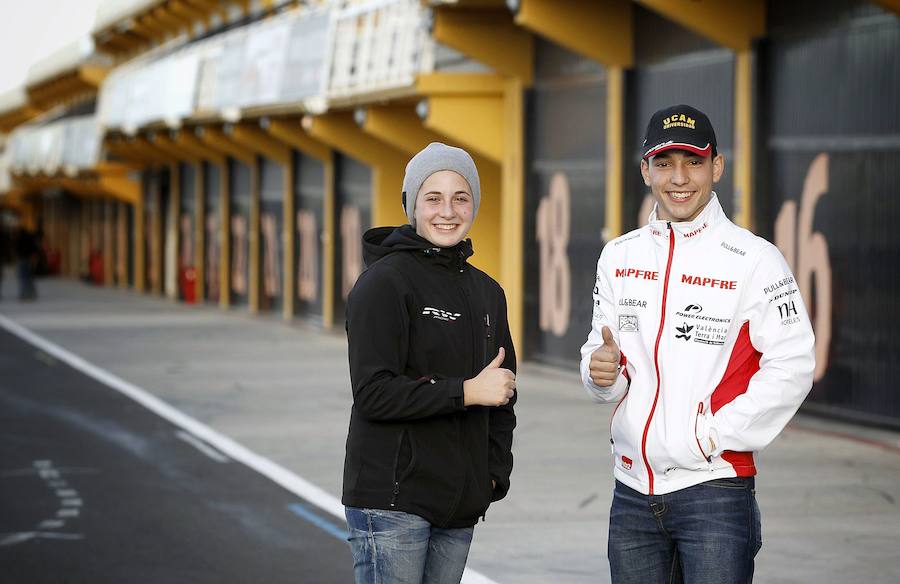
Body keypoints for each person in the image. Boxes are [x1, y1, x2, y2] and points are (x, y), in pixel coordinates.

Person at [580, 104, 815, 583]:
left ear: (717, 166)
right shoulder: (618, 256)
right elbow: (606, 358)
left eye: (693, 161)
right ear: (645, 170)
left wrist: (712, 436)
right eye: (664, 163)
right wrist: (598, 372)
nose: (679, 178)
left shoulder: (755, 259)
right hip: (630, 490)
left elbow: (793, 365)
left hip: (715, 489)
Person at [342, 142, 517, 584]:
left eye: (461, 198)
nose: (448, 211)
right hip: (393, 502)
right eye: (432, 198)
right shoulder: (384, 283)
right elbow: (373, 393)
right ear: (411, 205)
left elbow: (504, 392)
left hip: (459, 505)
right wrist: (465, 392)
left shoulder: (487, 293)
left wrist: (491, 477)